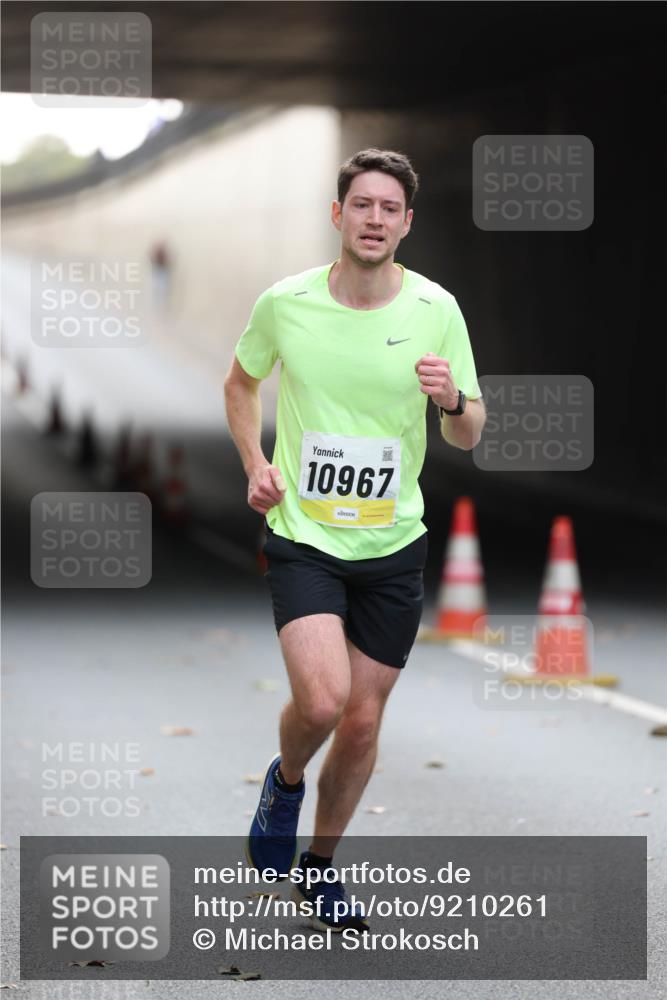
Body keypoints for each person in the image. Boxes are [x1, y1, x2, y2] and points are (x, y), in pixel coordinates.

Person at [224, 148, 485, 933]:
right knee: (325, 700)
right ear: (337, 216)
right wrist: (256, 464)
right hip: (305, 534)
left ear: (407, 224)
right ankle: (287, 776)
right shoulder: (286, 303)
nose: (374, 219)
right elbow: (241, 383)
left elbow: (471, 431)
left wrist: (450, 402)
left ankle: (319, 870)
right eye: (361, 205)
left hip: (392, 543)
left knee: (365, 722)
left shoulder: (436, 308)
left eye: (389, 209)